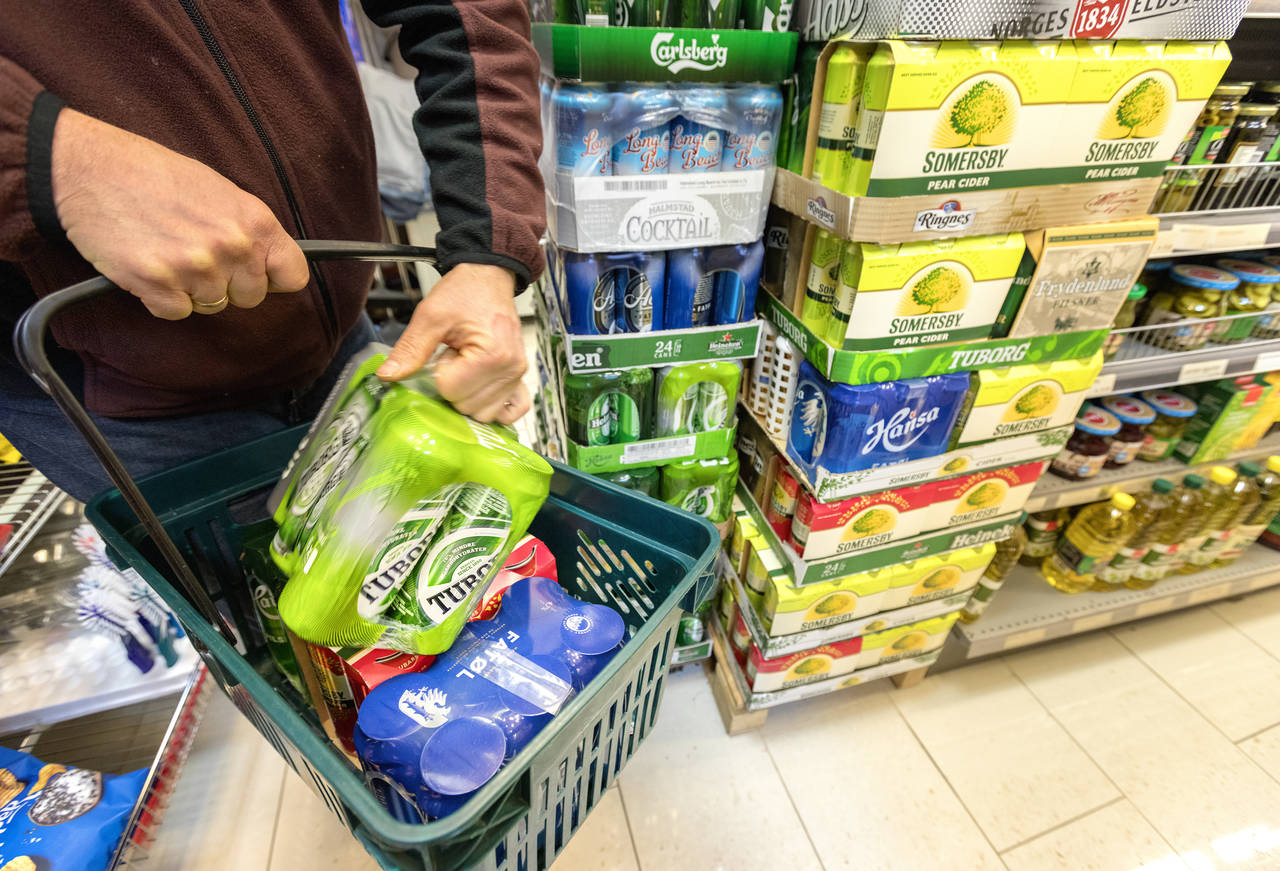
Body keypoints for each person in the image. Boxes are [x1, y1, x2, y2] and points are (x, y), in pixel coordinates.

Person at [0, 0, 545, 502]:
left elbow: (466, 16)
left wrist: (488, 250)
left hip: (338, 332)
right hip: (117, 392)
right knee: (249, 594)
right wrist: (55, 161)